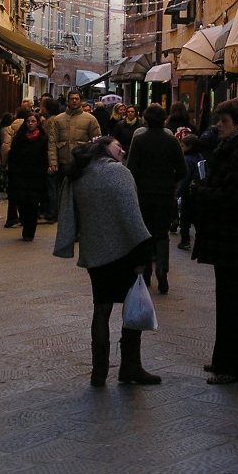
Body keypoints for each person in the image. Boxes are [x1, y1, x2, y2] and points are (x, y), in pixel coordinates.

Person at [54, 136, 161, 387]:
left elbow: (70, 213)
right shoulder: (119, 173)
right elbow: (132, 217)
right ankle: (130, 366)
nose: (122, 149)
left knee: (101, 309)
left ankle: (99, 372)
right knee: (131, 308)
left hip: (96, 254)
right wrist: (143, 255)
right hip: (126, 251)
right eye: (117, 145)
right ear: (103, 146)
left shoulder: (80, 174)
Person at [193, 98, 238, 385]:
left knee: (230, 302)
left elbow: (234, 197)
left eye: (223, 121)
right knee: (225, 300)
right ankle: (223, 358)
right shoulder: (231, 148)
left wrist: (202, 192)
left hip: (235, 236)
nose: (218, 126)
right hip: (229, 236)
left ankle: (232, 366)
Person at [126, 104, 186, 294]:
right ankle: (162, 269)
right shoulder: (171, 141)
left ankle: (146, 272)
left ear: (145, 119)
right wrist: (170, 182)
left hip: (143, 194)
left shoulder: (139, 140)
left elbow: (131, 169)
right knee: (161, 234)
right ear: (164, 119)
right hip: (164, 194)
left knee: (145, 233)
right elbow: (182, 170)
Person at [6, 110, 49, 241]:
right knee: (22, 202)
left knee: (33, 203)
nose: (30, 124)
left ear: (37, 123)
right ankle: (25, 221)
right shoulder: (19, 138)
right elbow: (13, 156)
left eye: (33, 121)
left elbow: (45, 157)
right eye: (28, 121)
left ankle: (29, 232)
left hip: (37, 176)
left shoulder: (43, 138)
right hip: (21, 175)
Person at [47, 89, 101, 178]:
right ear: (68, 101)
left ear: (81, 100)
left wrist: (94, 161)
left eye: (77, 99)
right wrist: (53, 162)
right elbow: (52, 142)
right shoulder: (58, 119)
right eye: (72, 99)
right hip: (63, 162)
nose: (74, 101)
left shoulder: (91, 119)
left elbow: (97, 142)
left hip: (82, 162)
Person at [0, 102, 32, 228]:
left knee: (13, 191)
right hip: (28, 164)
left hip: (14, 164)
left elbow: (5, 147)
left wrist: (4, 163)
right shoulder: (32, 127)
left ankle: (12, 217)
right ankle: (25, 217)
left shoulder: (10, 128)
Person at [176, 133, 203, 251]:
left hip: (188, 193)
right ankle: (201, 240)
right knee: (197, 217)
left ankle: (185, 240)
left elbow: (184, 179)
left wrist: (178, 193)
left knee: (185, 218)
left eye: (182, 146)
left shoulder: (186, 160)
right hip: (198, 192)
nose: (181, 148)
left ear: (189, 146)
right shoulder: (200, 157)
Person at [38, 96, 62, 221]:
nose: (40, 108)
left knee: (52, 187)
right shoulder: (49, 120)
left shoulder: (51, 121)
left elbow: (50, 141)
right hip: (49, 158)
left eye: (42, 106)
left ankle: (52, 213)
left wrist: (51, 162)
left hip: (49, 159)